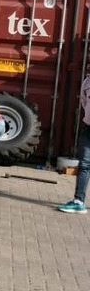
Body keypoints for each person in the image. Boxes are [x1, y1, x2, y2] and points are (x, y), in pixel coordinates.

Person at [56, 70, 90, 213]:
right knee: (84, 164)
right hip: (88, 128)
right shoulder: (87, 81)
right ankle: (78, 201)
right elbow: (84, 102)